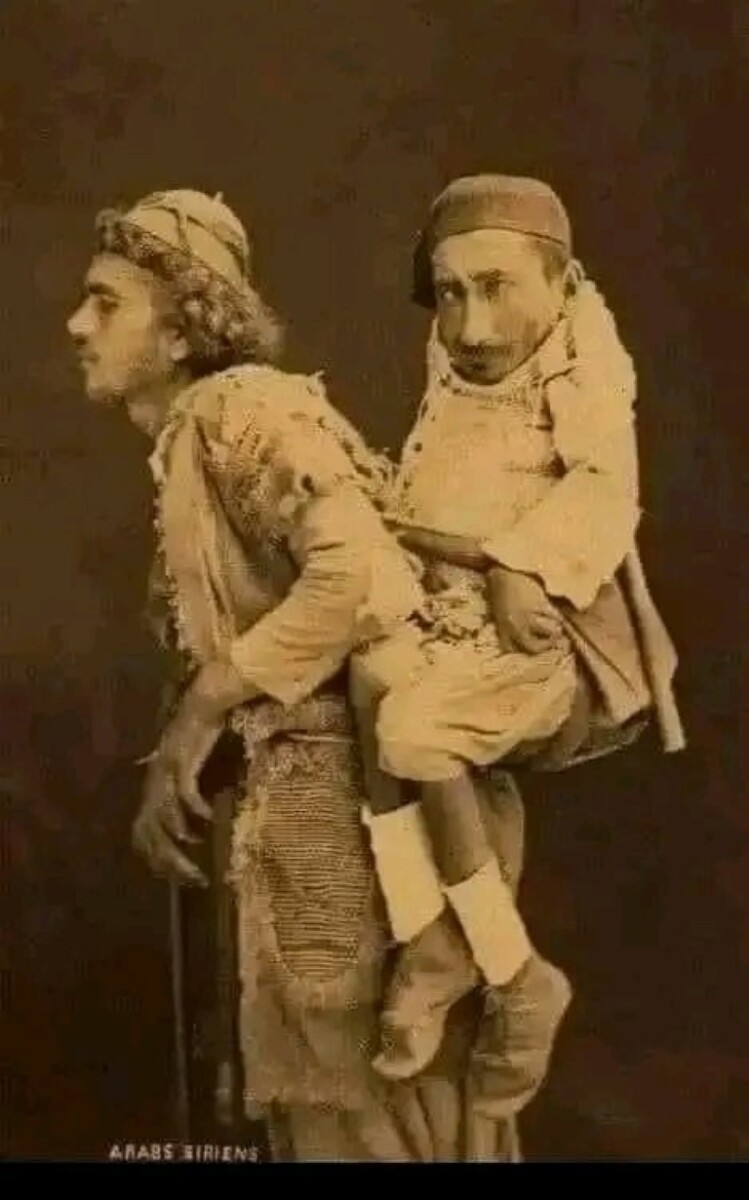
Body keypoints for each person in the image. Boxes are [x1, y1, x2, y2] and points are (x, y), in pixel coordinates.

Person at [65, 186, 523, 1162]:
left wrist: (204, 706)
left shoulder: (242, 407)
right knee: (326, 1095)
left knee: (362, 1099)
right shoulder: (193, 435)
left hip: (352, 812)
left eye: (106, 302)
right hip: (303, 807)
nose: (76, 324)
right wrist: (186, 746)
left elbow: (355, 575)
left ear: (183, 329)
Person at [349, 174, 686, 1118]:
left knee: (415, 733)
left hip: (546, 637)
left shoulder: (583, 366)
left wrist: (511, 565)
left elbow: (602, 496)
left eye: (497, 288)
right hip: (445, 602)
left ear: (560, 280)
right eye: (450, 293)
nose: (471, 325)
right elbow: (446, 454)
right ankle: (428, 935)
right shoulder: (460, 346)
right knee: (370, 677)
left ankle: (515, 975)